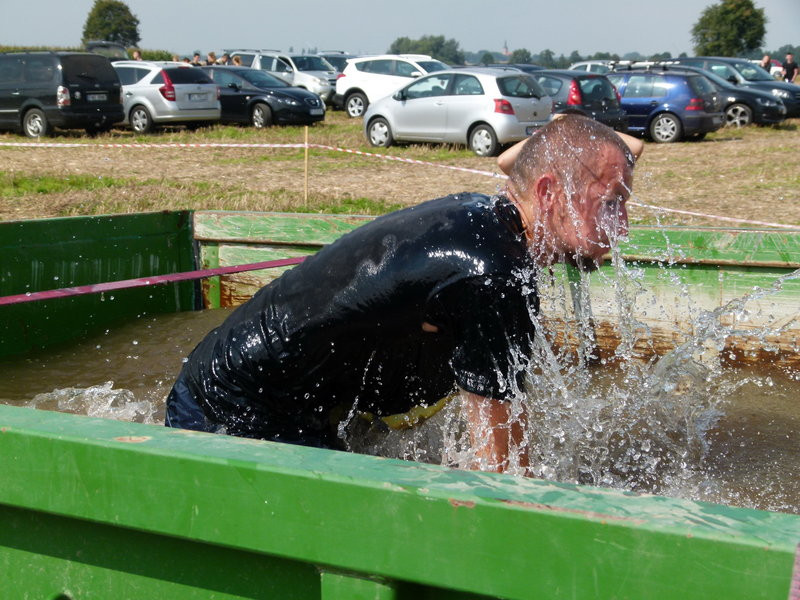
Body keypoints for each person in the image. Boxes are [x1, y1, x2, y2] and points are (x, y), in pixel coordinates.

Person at [165, 114, 640, 474]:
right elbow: (503, 475)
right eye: (610, 204)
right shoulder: (494, 276)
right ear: (550, 194)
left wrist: (580, 142)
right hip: (231, 414)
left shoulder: (491, 217)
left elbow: (520, 160)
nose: (621, 227)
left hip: (254, 391)